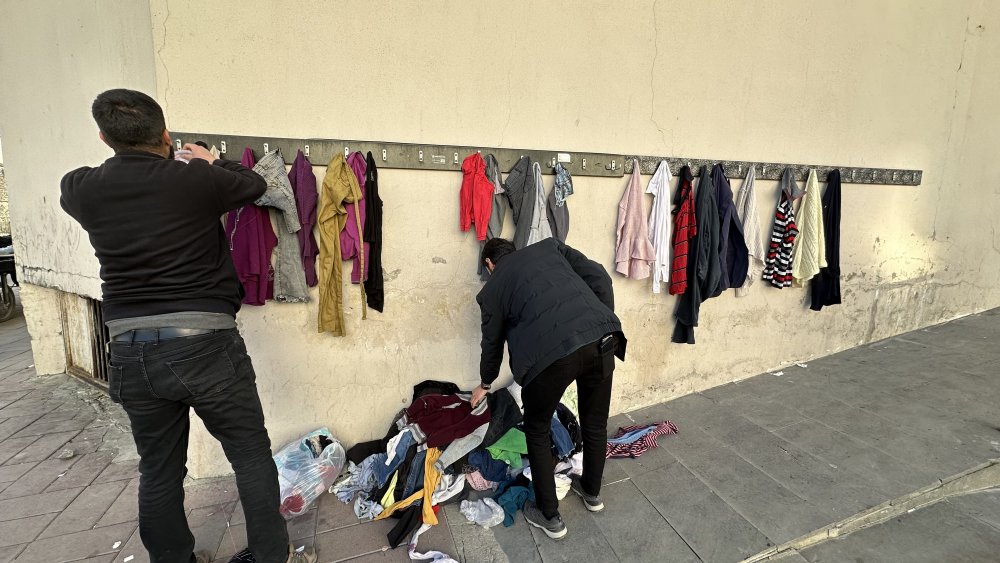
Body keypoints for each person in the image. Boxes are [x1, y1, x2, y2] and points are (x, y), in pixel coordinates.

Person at [60, 89, 316, 563]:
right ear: (165, 134)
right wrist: (210, 160)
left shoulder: (80, 188)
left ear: (103, 137)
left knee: (158, 469)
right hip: (205, 344)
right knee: (249, 456)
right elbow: (253, 184)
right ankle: (270, 557)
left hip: (129, 348)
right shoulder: (196, 179)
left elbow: (90, 186)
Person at [472, 237, 626, 539]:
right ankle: (592, 491)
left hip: (548, 359)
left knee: (538, 430)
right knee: (595, 422)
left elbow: (492, 344)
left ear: (489, 264)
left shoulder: (491, 290)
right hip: (601, 339)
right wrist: (599, 321)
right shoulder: (549, 247)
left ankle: (549, 514)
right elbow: (600, 277)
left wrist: (485, 383)